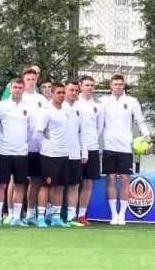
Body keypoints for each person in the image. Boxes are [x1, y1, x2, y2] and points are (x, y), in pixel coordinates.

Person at [100, 74, 150, 226]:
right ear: (110, 86)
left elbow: (140, 120)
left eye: (121, 84)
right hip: (108, 146)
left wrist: (148, 137)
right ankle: (113, 214)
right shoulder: (103, 101)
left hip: (125, 147)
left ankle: (122, 214)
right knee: (110, 179)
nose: (118, 87)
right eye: (115, 84)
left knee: (125, 180)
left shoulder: (132, 101)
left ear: (124, 86)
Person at [37, 81, 85, 227]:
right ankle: (40, 217)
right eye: (58, 92)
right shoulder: (46, 111)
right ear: (52, 94)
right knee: (46, 186)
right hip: (49, 155)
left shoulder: (65, 110)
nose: (61, 95)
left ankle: (56, 217)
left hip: (64, 154)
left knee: (60, 187)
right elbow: (38, 133)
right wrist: (46, 147)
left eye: (63, 92)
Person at [0, 78, 35, 226]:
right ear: (10, 89)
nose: (17, 90)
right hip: (4, 153)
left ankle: (16, 218)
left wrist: (23, 144)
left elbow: (31, 129)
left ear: (23, 89)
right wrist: (2, 141)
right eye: (15, 87)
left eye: (20, 87)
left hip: (21, 153)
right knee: (2, 184)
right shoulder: (0, 106)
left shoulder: (27, 108)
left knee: (20, 184)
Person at [19, 66, 49, 224]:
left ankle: (31, 214)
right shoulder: (19, 97)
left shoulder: (42, 100)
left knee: (36, 181)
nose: (31, 82)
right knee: (17, 181)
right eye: (28, 79)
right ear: (23, 80)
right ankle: (13, 214)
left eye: (33, 79)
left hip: (39, 148)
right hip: (21, 147)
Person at [75, 75, 105, 226]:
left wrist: (89, 142)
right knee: (72, 183)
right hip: (76, 149)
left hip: (92, 148)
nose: (89, 88)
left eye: (92, 85)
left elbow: (99, 128)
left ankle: (81, 215)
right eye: (86, 85)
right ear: (80, 86)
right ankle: (67, 214)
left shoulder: (98, 107)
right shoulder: (74, 104)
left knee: (88, 183)